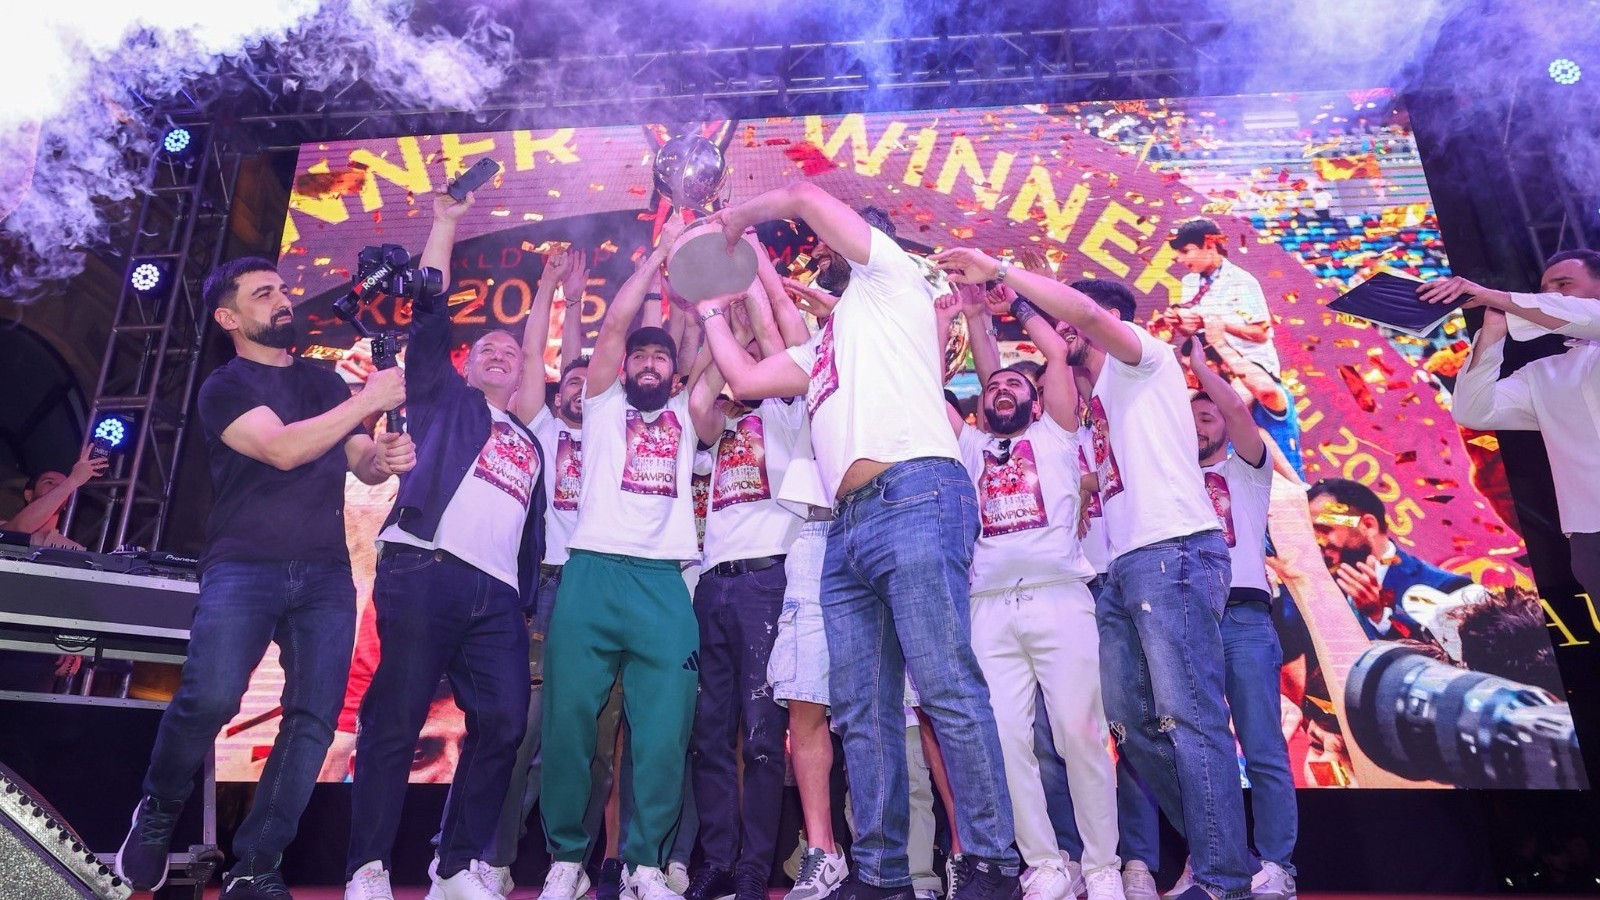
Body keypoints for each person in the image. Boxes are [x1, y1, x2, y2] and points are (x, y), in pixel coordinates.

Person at [694, 188, 1021, 900]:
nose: (823, 253)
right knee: (862, 711)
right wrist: (711, 309)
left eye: (832, 245)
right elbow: (745, 379)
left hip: (916, 494)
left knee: (944, 687)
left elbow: (805, 195)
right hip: (845, 526)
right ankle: (880, 874)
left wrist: (739, 220)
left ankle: (993, 863)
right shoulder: (825, 347)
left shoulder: (892, 278)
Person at [931, 249, 1249, 900]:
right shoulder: (1089, 400)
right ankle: (1212, 851)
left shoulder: (1143, 359)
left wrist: (1003, 276)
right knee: (1131, 727)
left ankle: (1220, 876)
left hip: (1171, 550)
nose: (1058, 329)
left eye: (1068, 322)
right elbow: (1020, 366)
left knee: (1186, 718)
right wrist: (990, 312)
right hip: (1123, 568)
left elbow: (1073, 322)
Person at [114, 254, 413, 899]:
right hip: (244, 565)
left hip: (325, 572)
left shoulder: (323, 383)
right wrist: (368, 399)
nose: (283, 300)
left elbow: (361, 463)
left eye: (282, 289)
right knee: (212, 697)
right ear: (229, 318)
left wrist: (386, 456)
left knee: (314, 717)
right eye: (262, 293)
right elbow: (282, 449)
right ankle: (158, 809)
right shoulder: (224, 387)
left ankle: (257, 863)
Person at [344, 189, 547, 900]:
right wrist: (445, 224)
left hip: (497, 597)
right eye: (486, 347)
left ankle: (454, 866)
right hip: (425, 569)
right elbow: (430, 311)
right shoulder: (442, 399)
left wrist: (523, 598)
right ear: (465, 366)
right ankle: (367, 867)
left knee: (505, 724)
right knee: (395, 720)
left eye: (510, 351)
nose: (499, 352)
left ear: (522, 375)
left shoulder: (532, 442)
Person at [539, 212, 699, 900]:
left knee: (664, 734)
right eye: (640, 357)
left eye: (661, 358)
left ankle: (644, 864)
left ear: (675, 373)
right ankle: (566, 860)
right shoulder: (603, 405)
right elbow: (611, 328)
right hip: (593, 572)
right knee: (570, 724)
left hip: (664, 583)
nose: (648, 363)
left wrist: (710, 284)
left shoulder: (690, 411)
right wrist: (658, 255)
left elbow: (703, 344)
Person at [947, 292, 1124, 900]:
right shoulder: (968, 445)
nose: (1002, 390)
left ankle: (1101, 867)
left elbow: (1053, 350)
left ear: (1038, 398)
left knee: (1080, 733)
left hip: (1059, 597)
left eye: (1014, 385)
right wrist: (968, 316)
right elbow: (940, 378)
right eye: (992, 386)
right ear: (980, 403)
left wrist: (1012, 303)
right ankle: (1045, 863)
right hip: (987, 607)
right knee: (1003, 740)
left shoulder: (1057, 434)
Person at [684, 275, 809, 900]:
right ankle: (717, 859)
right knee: (710, 734)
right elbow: (697, 399)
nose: (747, 366)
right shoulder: (720, 427)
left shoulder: (789, 413)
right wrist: (723, 329)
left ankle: (758, 863)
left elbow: (775, 345)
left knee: (762, 735)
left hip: (767, 580)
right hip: (713, 585)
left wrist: (752, 299)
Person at [1424, 250, 1600, 602]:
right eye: (1544, 290)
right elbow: (1474, 411)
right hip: (1590, 534)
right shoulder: (1544, 373)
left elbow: (1586, 317)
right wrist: (1492, 334)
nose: (1550, 295)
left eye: (1564, 284)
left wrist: (1490, 294)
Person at [1187, 341, 1297, 900]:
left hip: (1244, 617)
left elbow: (1236, 408)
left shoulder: (1247, 471)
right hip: (1185, 622)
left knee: (1263, 748)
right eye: (1189, 418)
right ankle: (1210, 860)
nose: (1198, 425)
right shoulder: (1165, 479)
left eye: (1207, 417)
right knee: (1197, 754)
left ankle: (1277, 865)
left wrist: (1200, 371)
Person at [1305, 478, 1478, 644]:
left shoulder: (1447, 589)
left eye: (1324, 529)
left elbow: (1448, 658)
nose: (1317, 541)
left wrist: (1379, 617)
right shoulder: (1316, 589)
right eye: (1311, 533)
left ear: (1368, 525)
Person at [1165, 218, 1280, 379]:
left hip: (1252, 368)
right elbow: (1193, 331)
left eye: (1185, 251)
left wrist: (1217, 325)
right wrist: (1178, 323)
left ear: (1209, 244)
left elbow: (1261, 334)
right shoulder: (1189, 281)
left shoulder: (1242, 280)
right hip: (1215, 370)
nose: (1180, 259)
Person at [1, 451, 107, 549]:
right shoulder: (5, 526)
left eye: (62, 485)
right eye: (49, 482)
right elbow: (19, 530)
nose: (57, 488)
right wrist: (73, 481)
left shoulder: (73, 548)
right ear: (28, 494)